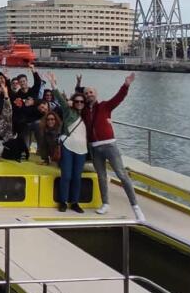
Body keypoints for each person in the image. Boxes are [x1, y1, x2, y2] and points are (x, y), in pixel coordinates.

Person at [80, 73, 143, 220]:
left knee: (122, 175)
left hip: (109, 145)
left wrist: (126, 85)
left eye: (91, 92)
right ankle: (105, 203)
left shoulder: (105, 106)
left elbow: (119, 98)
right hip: (94, 148)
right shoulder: (83, 111)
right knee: (101, 176)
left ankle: (135, 207)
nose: (89, 95)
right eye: (86, 93)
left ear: (96, 94)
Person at [48, 78, 88, 213]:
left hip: (82, 149)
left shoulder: (88, 113)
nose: (79, 103)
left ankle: (75, 202)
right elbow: (60, 98)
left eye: (82, 101)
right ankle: (63, 201)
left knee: (77, 177)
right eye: (76, 101)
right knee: (66, 176)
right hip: (68, 146)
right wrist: (53, 84)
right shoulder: (68, 111)